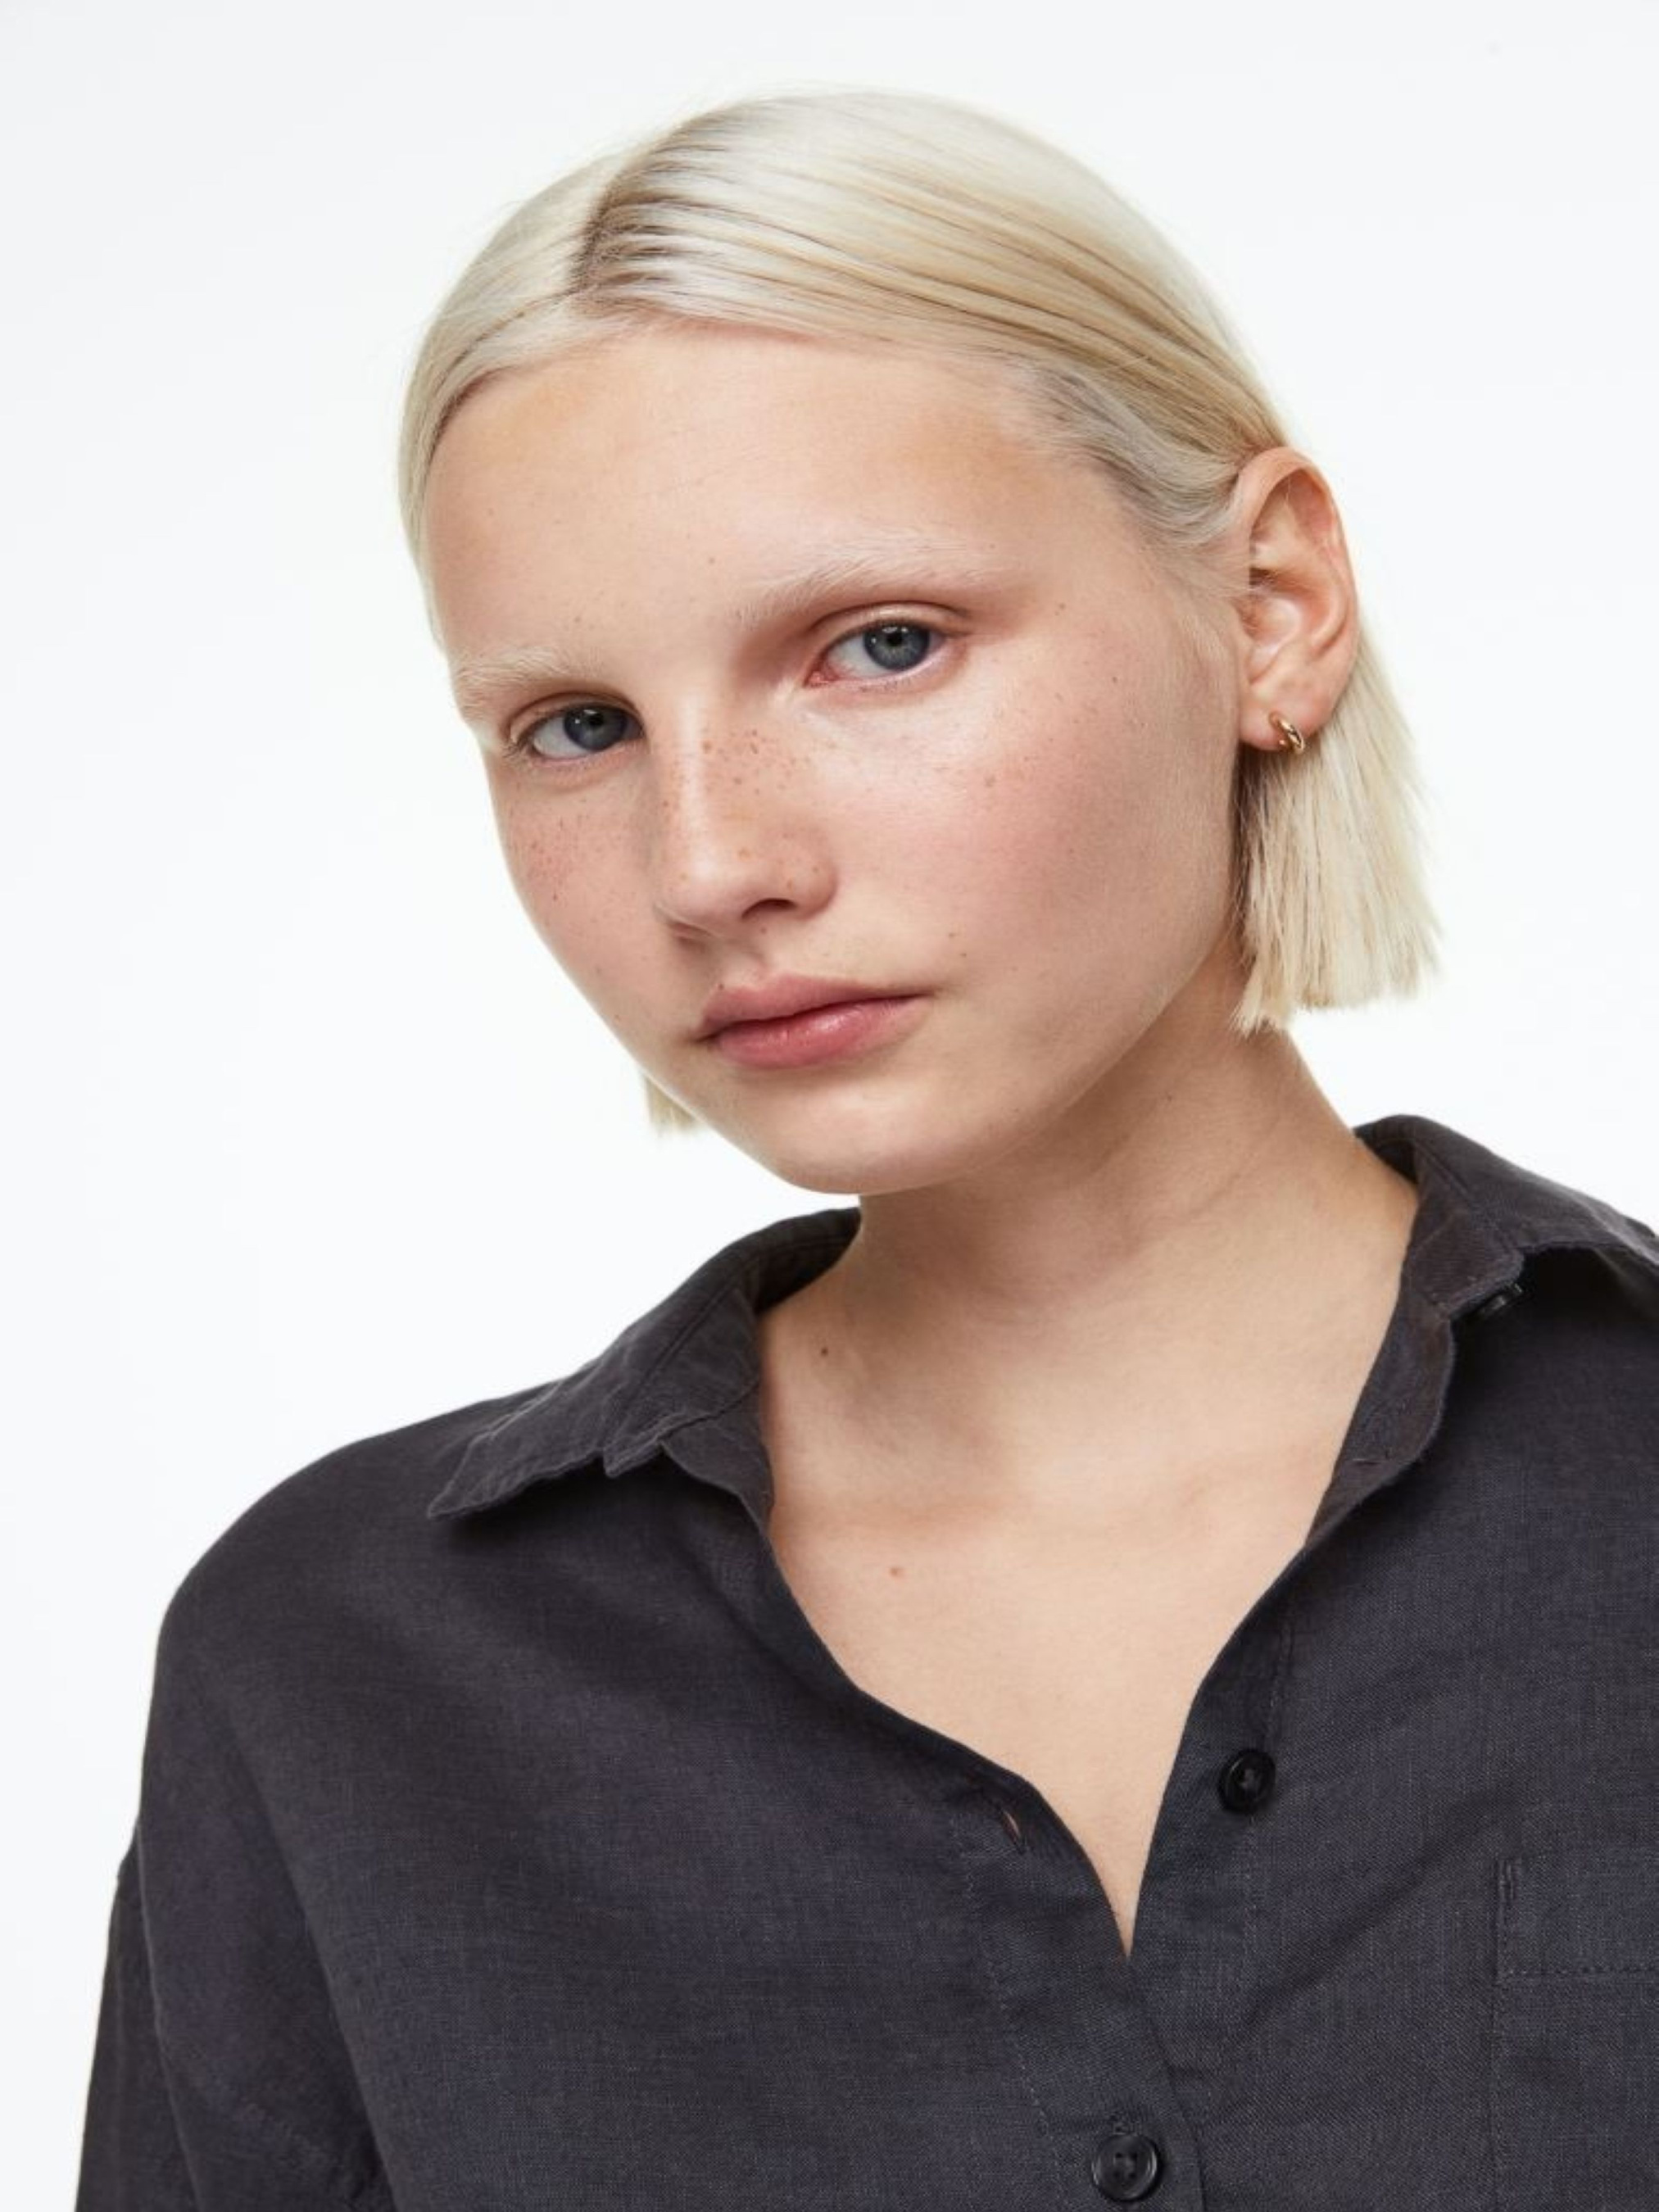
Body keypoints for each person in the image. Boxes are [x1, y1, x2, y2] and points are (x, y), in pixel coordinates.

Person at [76, 86, 1659, 2212]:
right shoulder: (343, 1670)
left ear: (1271, 604)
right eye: (576, 727)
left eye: (879, 647)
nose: (706, 862)